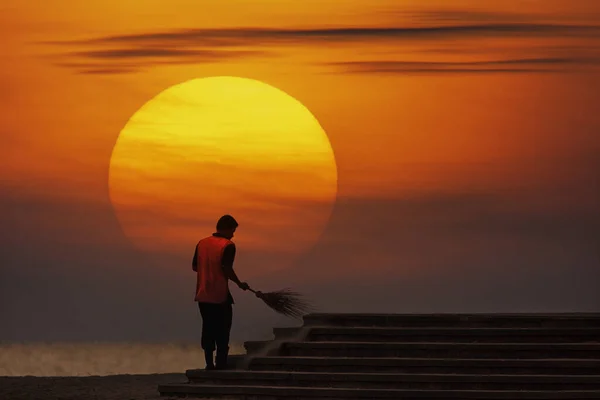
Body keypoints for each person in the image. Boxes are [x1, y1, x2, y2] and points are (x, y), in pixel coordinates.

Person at [192, 214, 249, 370]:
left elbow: (195, 267)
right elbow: (226, 268)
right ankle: (221, 363)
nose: (233, 234)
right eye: (233, 230)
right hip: (220, 295)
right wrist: (239, 283)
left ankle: (209, 364)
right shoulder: (228, 245)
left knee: (208, 327)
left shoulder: (201, 243)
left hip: (203, 294)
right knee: (223, 329)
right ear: (227, 228)